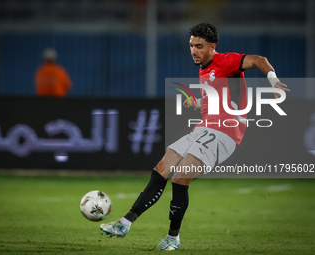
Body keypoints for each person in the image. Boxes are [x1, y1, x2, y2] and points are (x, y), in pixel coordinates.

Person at [99, 23, 290, 251]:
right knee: (162, 167)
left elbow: (260, 60)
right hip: (203, 128)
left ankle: (173, 238)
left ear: (212, 47)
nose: (193, 51)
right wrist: (198, 102)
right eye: (191, 45)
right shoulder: (203, 69)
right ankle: (125, 223)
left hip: (225, 132)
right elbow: (219, 97)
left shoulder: (225, 61)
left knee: (180, 177)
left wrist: (273, 82)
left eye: (199, 46)